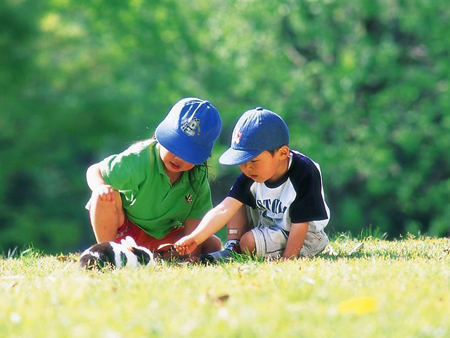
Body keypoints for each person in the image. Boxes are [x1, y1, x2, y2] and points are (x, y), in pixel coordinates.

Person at [175, 107, 330, 262]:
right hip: (269, 229)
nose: (247, 168)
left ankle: (243, 248)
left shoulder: (304, 172)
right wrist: (195, 238)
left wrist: (288, 259)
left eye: (253, 160)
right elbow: (224, 209)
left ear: (282, 153)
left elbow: (300, 222)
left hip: (304, 237)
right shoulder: (253, 173)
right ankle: (233, 247)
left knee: (249, 242)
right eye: (242, 162)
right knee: (236, 200)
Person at [86, 97, 222, 260]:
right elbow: (95, 170)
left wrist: (191, 257)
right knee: (104, 197)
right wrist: (100, 186)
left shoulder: (197, 177)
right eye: (175, 146)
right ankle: (108, 254)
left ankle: (154, 256)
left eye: (188, 153)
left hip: (164, 236)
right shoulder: (139, 158)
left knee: (212, 244)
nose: (178, 158)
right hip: (125, 230)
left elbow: (196, 220)